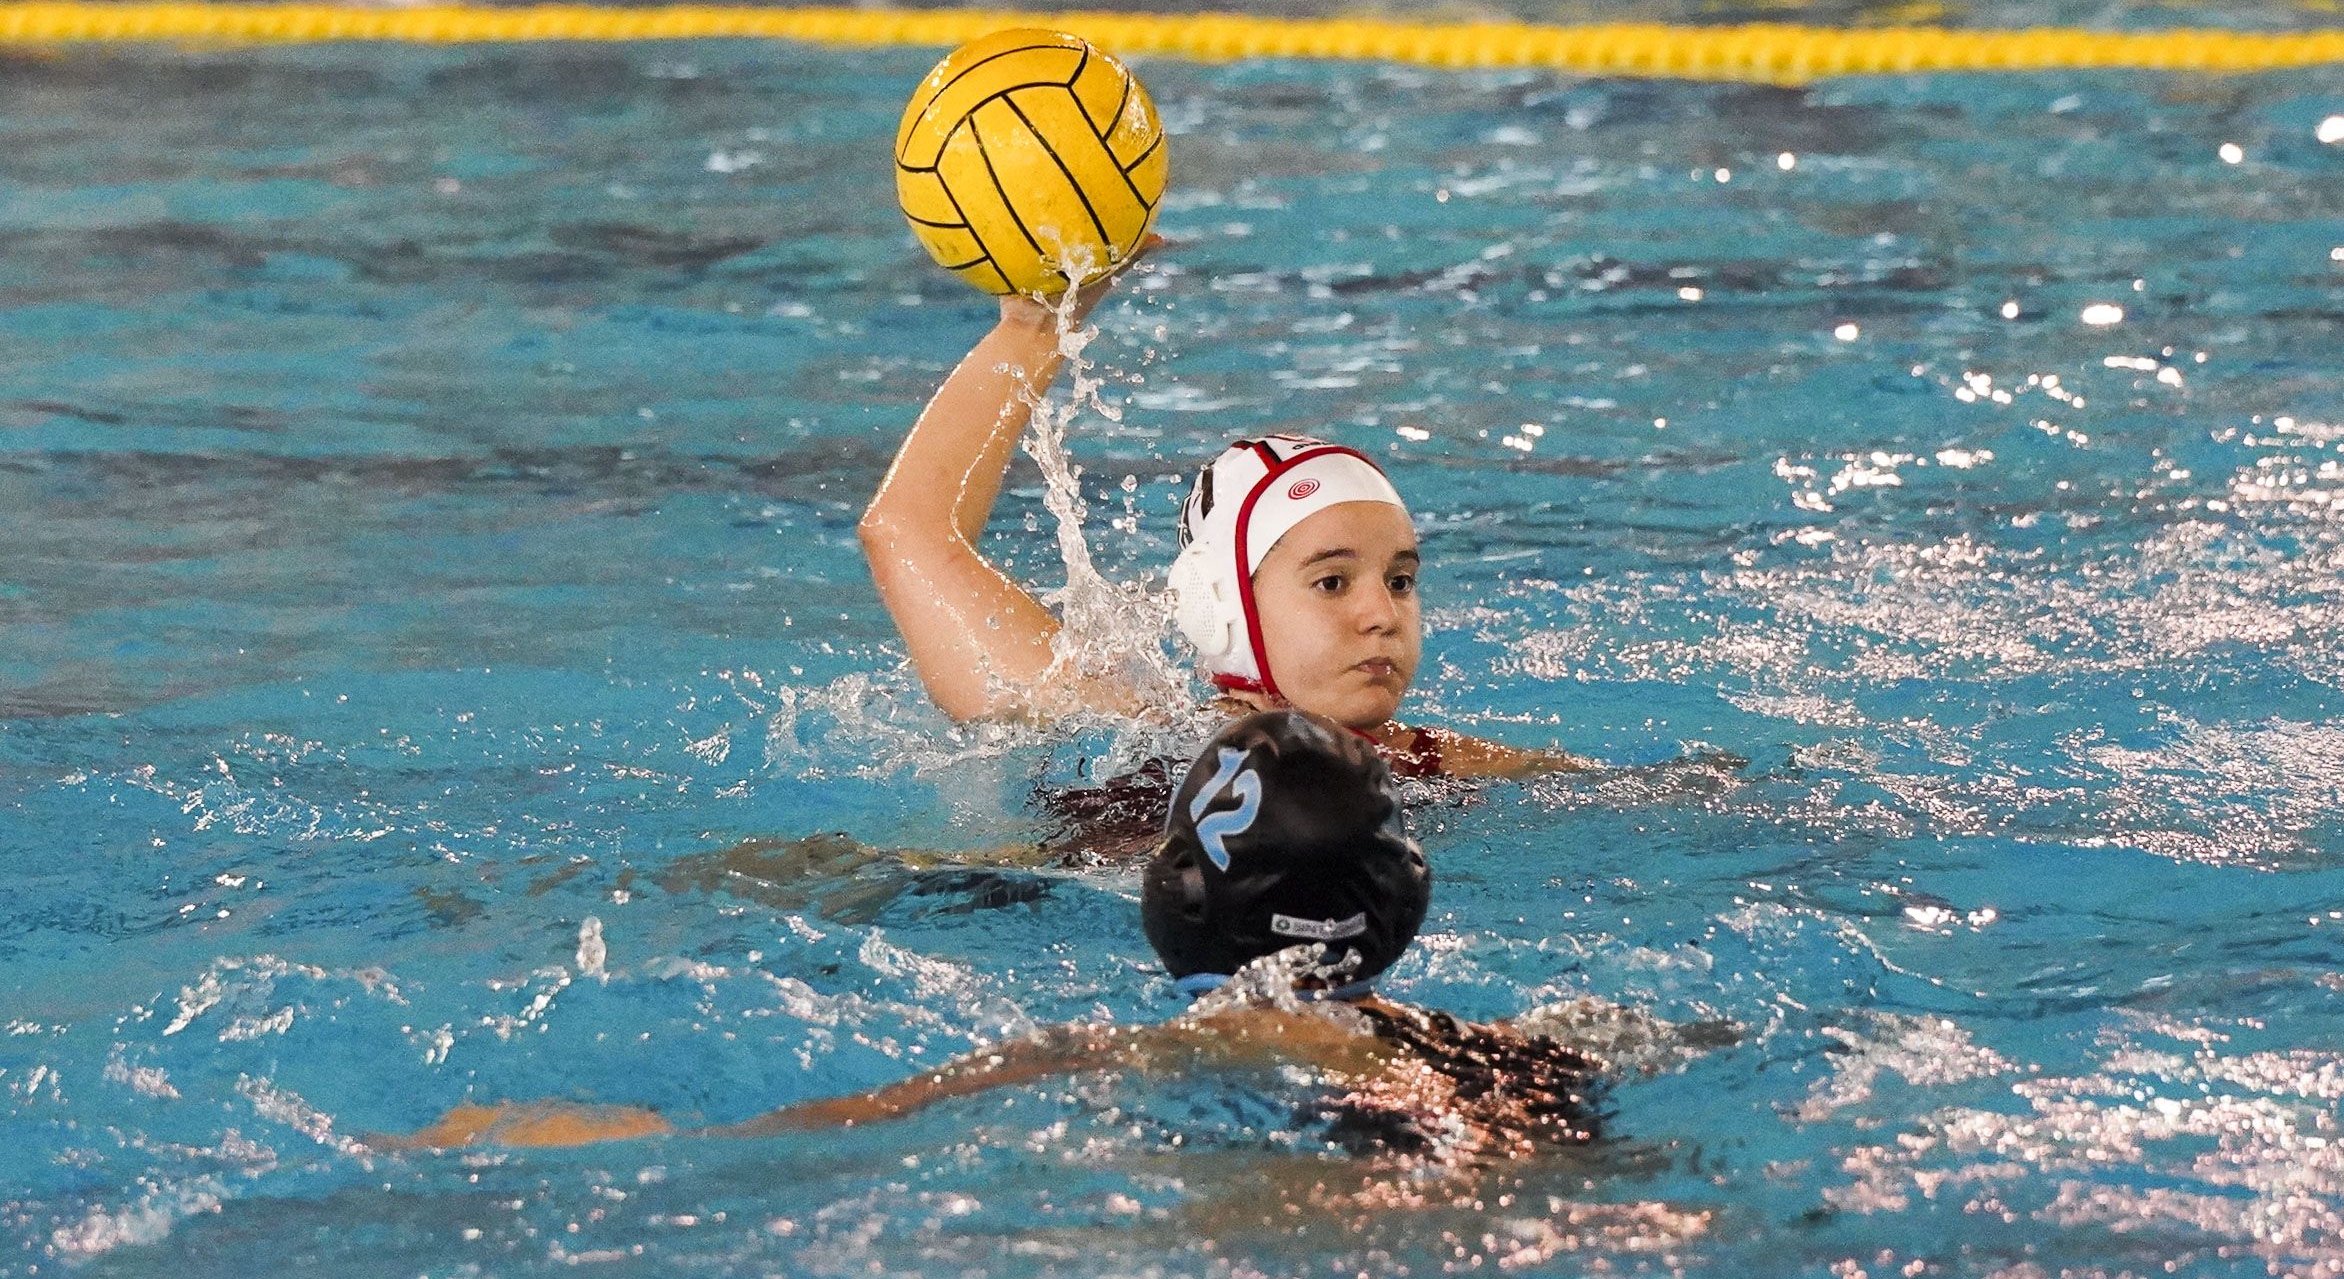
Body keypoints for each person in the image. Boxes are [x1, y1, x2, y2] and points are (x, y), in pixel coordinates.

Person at [389, 712, 1736, 1159]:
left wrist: (545, 1129)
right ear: (1399, 908)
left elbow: (814, 1136)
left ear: (1177, 900)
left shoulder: (1127, 1054)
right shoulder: (1508, 1040)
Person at [856, 260, 1583, 780]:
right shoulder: (1132, 736)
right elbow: (907, 533)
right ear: (1221, 610)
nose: (1380, 614)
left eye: (1400, 579)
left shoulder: (1440, 764)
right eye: (1331, 582)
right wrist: (1036, 329)